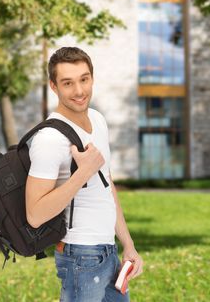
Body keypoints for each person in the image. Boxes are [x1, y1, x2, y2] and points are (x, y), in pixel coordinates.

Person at [25, 47, 143, 301]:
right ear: (54, 86)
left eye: (84, 79)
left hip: (108, 252)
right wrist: (82, 173)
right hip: (79, 256)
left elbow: (106, 187)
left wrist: (128, 244)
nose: (79, 91)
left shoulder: (98, 120)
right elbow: (34, 215)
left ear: (92, 78)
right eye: (68, 83)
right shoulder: (49, 138)